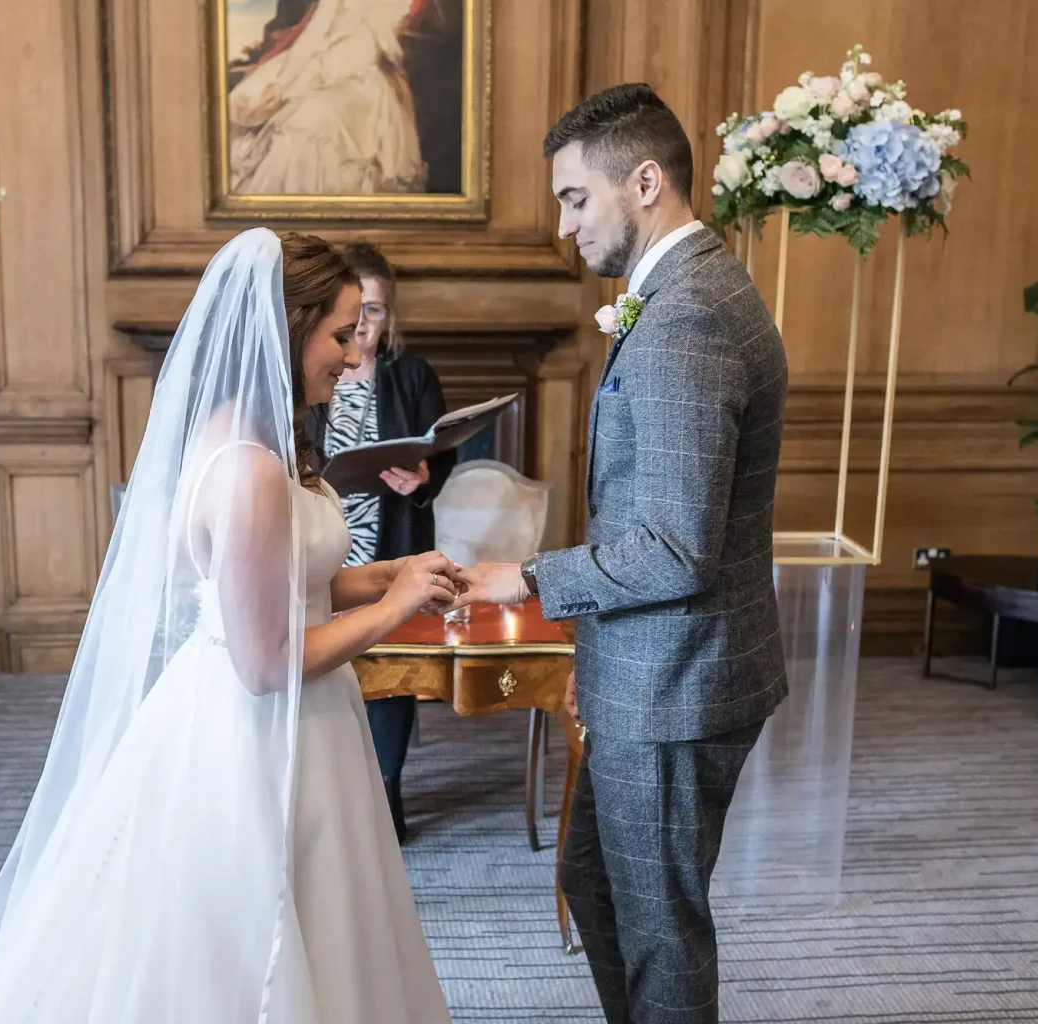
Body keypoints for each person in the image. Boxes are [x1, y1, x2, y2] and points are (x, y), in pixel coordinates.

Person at [0, 228, 456, 1023]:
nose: (354, 357)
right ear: (290, 328)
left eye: (358, 336)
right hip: (256, 731)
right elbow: (266, 660)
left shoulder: (264, 445)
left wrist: (386, 574)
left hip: (308, 722)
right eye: (341, 335)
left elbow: (291, 581)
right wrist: (393, 609)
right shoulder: (247, 471)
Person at [454, 85, 789, 1024]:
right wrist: (594, 663)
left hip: (682, 683)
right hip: (646, 667)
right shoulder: (684, 291)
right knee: (594, 885)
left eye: (573, 200)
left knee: (658, 928)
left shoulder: (687, 317)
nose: (564, 229)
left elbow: (676, 551)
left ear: (644, 181)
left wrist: (525, 576)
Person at [307, 241, 455, 843]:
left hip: (388, 530)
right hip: (327, 535)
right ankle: (342, 789)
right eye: (357, 311)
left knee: (392, 665)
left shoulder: (412, 374)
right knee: (336, 658)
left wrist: (420, 478)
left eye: (377, 311)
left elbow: (440, 453)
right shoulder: (312, 377)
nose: (365, 325)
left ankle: (387, 784)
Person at [228, 0, 426, 195]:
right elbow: (311, 39)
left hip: (364, 83)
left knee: (314, 120)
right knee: (298, 119)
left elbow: (391, 49)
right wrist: (284, 83)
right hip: (317, 69)